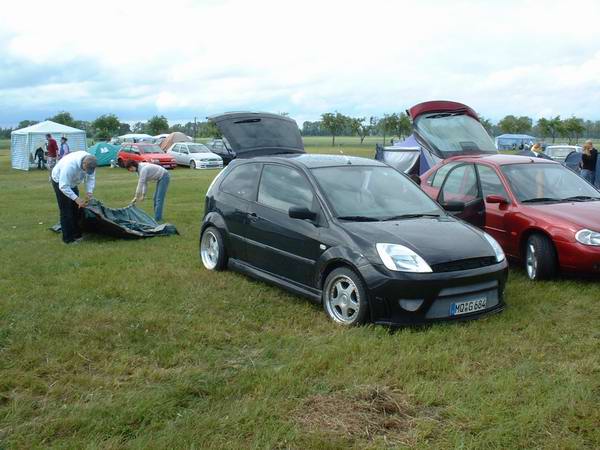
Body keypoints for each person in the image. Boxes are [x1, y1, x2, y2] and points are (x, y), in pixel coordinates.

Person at [51, 152, 97, 244]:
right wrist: (77, 199)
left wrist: (89, 192)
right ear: (83, 164)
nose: (87, 172)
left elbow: (90, 178)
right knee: (66, 211)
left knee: (75, 209)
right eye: (86, 169)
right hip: (60, 182)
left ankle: (77, 234)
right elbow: (63, 186)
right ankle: (68, 239)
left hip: (72, 183)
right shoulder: (69, 166)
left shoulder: (91, 162)